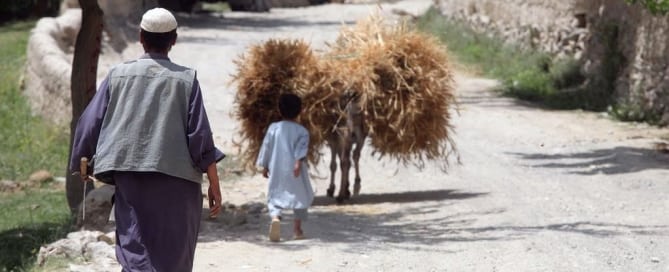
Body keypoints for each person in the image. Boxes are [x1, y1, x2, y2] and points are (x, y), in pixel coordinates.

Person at [69, 7, 224, 272]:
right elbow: (199, 136)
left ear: (141, 37)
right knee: (174, 254)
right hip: (179, 183)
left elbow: (89, 121)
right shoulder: (186, 80)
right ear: (173, 40)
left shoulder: (117, 75)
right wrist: (214, 183)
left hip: (132, 180)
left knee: (135, 249)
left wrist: (83, 162)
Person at [256, 93, 314, 242]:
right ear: (300, 111)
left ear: (279, 110)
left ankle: (275, 217)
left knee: (275, 194)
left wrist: (265, 165)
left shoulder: (274, 128)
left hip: (277, 167)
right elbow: (301, 150)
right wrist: (297, 163)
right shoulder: (302, 131)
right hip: (295, 170)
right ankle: (297, 229)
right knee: (300, 196)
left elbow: (267, 147)